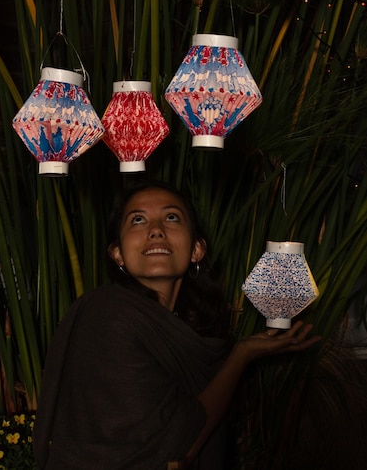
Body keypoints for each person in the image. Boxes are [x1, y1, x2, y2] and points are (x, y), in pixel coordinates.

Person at [33, 182, 321, 469]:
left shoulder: (193, 330)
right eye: (138, 219)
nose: (156, 229)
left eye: (171, 217)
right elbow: (175, 448)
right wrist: (241, 357)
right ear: (117, 253)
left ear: (196, 249)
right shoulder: (108, 315)